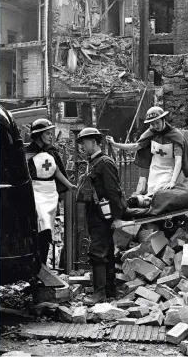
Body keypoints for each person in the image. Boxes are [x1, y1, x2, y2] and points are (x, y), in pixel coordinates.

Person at [76, 127, 126, 305]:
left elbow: (114, 190)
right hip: (95, 213)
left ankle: (99, 294)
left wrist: (117, 217)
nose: (82, 146)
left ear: (94, 142)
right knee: (106, 251)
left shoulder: (104, 162)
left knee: (97, 252)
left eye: (84, 142)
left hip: (102, 215)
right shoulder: (94, 162)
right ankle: (110, 290)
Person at [107, 106, 188, 195]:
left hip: (169, 171)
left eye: (157, 122)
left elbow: (178, 160)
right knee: (151, 195)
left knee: (161, 194)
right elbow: (136, 146)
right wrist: (115, 144)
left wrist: (173, 181)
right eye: (152, 124)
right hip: (154, 170)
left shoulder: (175, 135)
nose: (155, 126)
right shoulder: (151, 133)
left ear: (163, 119)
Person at [25, 119, 77, 265]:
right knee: (39, 226)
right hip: (36, 192)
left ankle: (42, 263)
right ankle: (36, 262)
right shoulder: (27, 153)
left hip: (50, 193)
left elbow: (57, 171)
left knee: (47, 228)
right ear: (39, 134)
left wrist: (69, 185)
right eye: (47, 133)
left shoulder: (51, 151)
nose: (50, 136)